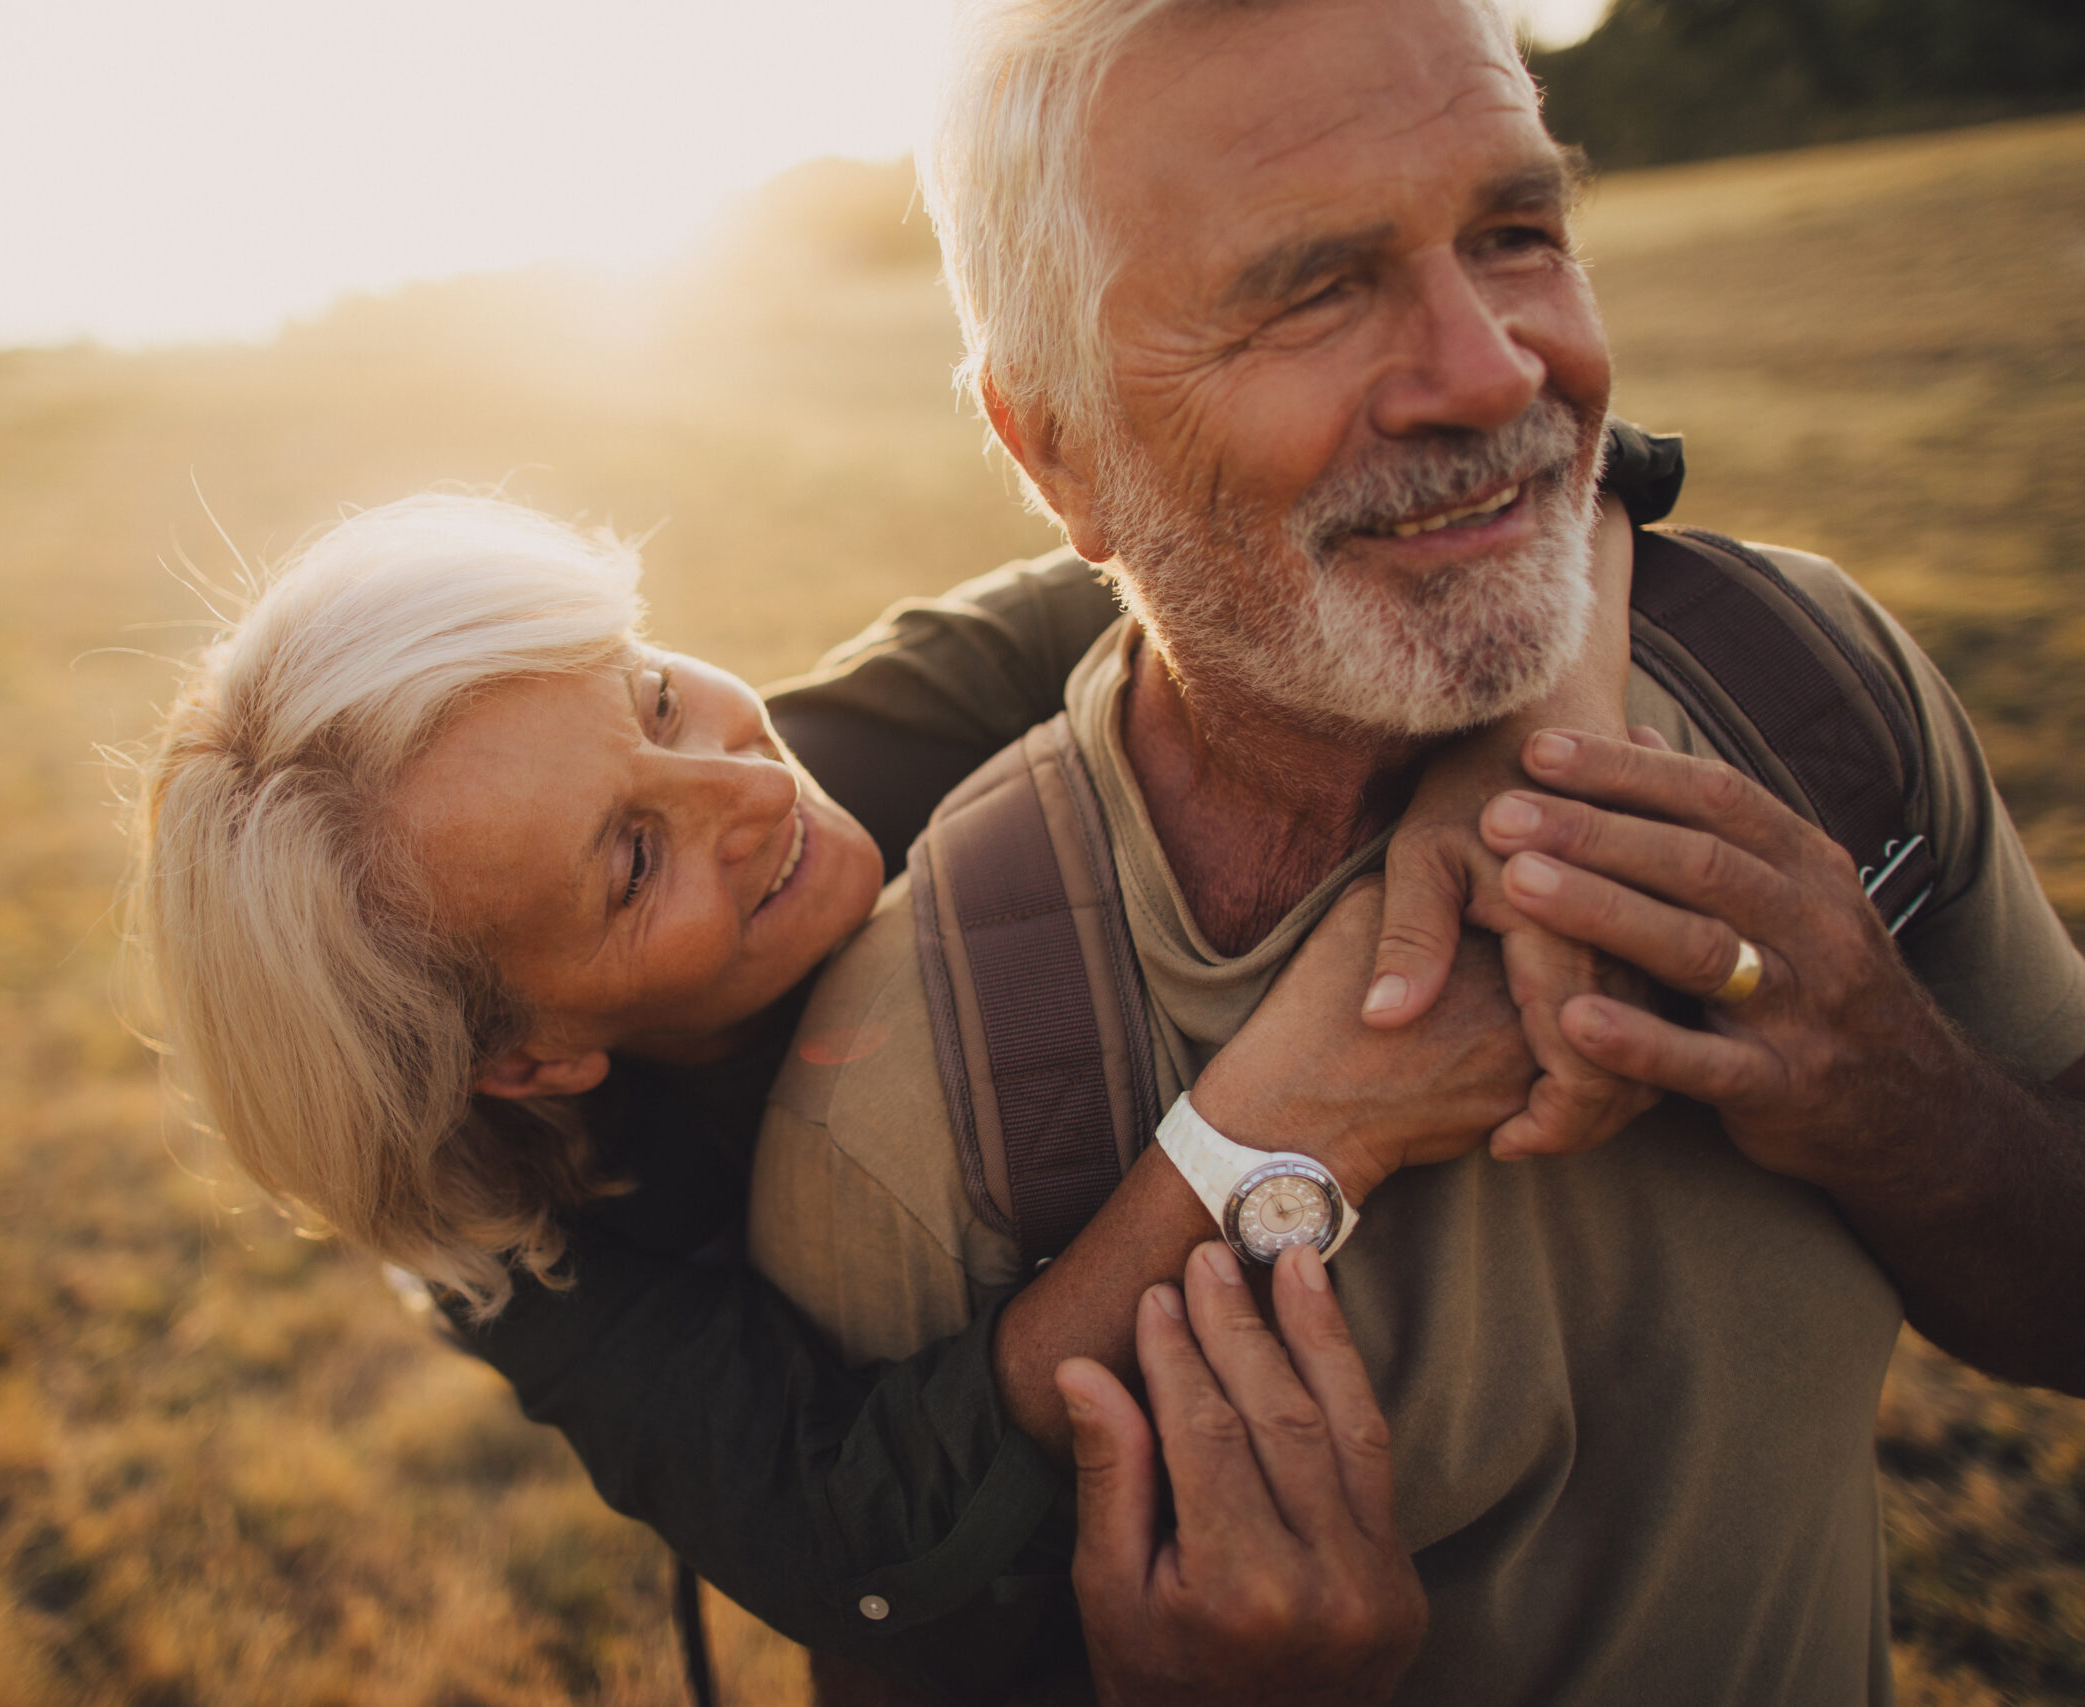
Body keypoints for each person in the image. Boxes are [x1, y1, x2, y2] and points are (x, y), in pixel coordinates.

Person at [745, 0, 2085, 1701]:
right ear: (1056, 448)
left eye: (1518, 235)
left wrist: (1905, 1099)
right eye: (1309, 287)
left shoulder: (1808, 690)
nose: (1496, 371)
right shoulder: (918, 1108)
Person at [126, 465, 1658, 1701]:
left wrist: (1534, 762)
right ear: (530, 1058)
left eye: (654, 695)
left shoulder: (875, 721)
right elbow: (850, 1534)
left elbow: (1469, 471)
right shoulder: (521, 1248)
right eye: (633, 859)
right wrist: (1287, 1124)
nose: (749, 782)